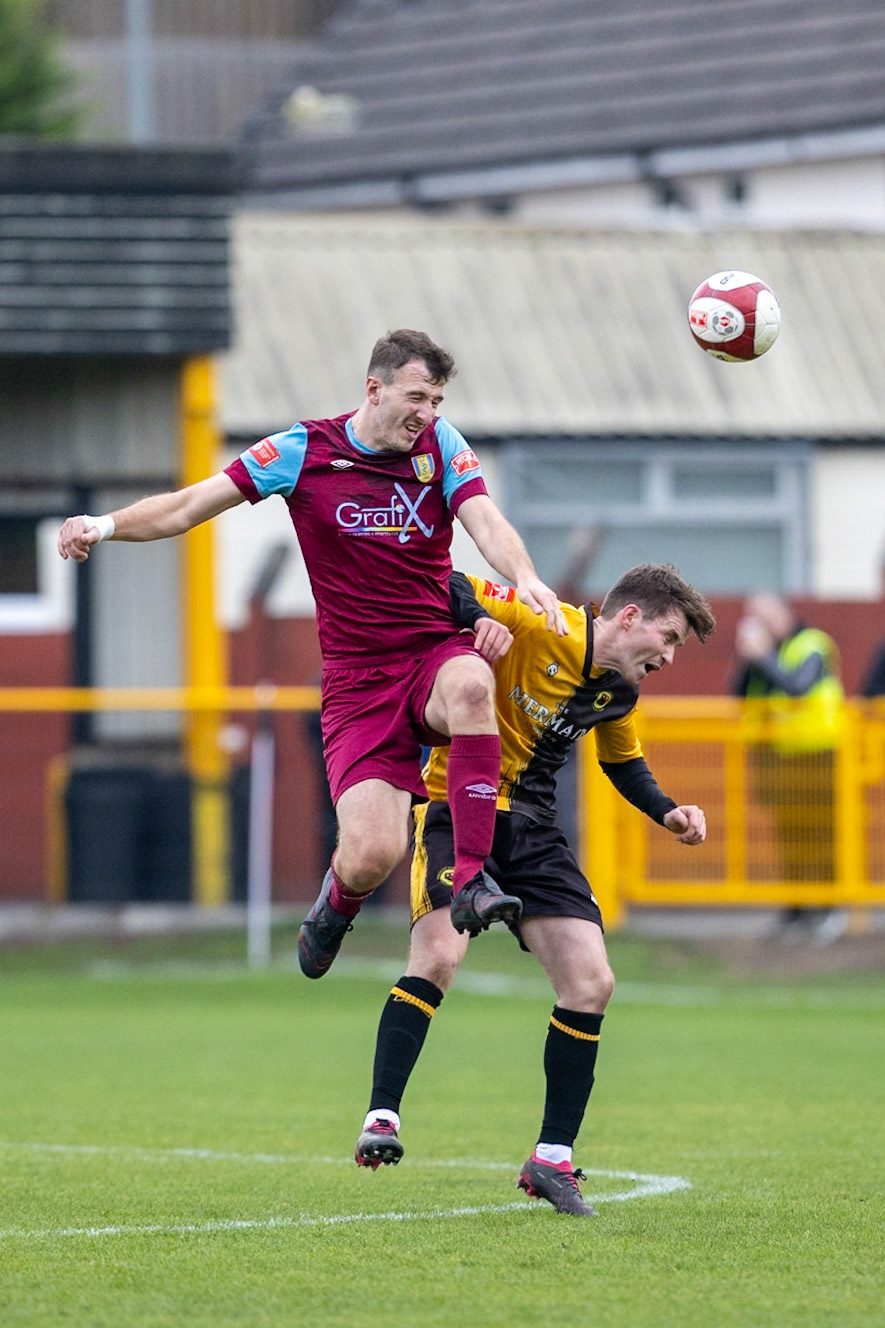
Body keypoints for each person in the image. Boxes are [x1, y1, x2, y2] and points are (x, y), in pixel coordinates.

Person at [57, 329, 566, 974]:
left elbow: (485, 519)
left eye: (436, 400)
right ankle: (336, 901)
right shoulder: (301, 450)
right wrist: (102, 526)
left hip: (431, 650)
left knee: (471, 684)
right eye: (416, 397)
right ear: (373, 389)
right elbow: (190, 505)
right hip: (358, 683)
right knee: (372, 854)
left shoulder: (442, 445)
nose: (428, 414)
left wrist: (524, 575)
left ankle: (468, 879)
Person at [353, 563, 716, 1216]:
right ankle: (381, 1116)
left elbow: (621, 762)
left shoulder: (617, 692)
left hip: (532, 830)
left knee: (590, 982)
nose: (668, 655)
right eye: (668, 637)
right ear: (628, 616)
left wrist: (667, 811)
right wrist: (477, 622)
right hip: (454, 803)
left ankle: (551, 1159)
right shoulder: (540, 617)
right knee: (437, 958)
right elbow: (449, 580)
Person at [732, 593, 844, 936]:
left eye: (766, 616)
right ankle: (795, 911)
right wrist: (749, 659)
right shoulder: (767, 656)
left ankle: (828, 909)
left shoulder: (812, 644)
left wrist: (763, 656)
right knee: (789, 838)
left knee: (820, 835)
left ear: (783, 613)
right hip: (778, 758)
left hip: (817, 755)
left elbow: (798, 687)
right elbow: (740, 696)